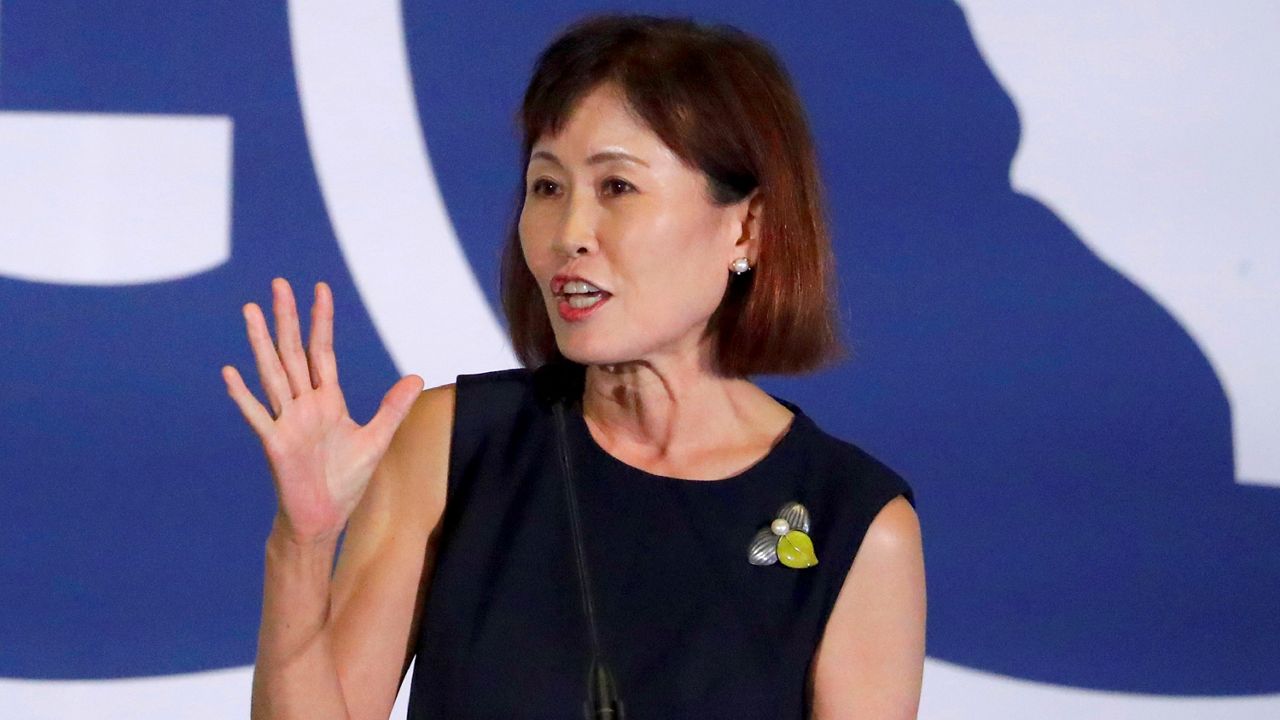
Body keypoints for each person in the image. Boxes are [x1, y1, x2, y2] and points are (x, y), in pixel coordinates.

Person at [222, 13, 925, 720]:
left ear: (746, 228)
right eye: (548, 187)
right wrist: (304, 544)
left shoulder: (853, 523)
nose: (568, 235)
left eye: (617, 187)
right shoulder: (451, 447)